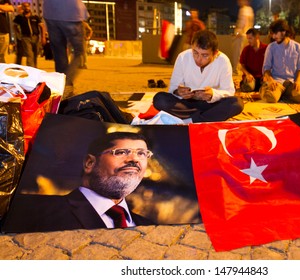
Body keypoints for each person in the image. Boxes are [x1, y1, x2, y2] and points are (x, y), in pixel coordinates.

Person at [4, 132, 155, 233]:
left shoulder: (150, 227)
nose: (134, 159)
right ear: (90, 163)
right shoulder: (35, 210)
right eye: (121, 152)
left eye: (141, 153)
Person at [153, 30, 244, 123]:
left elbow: (229, 91)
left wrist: (213, 94)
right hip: (187, 105)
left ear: (215, 53)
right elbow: (173, 88)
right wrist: (178, 92)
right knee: (159, 99)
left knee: (236, 103)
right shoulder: (183, 57)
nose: (198, 59)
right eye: (195, 52)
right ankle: (205, 118)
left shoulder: (223, 61)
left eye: (205, 55)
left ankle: (191, 120)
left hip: (211, 104)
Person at [43, 0, 88, 98]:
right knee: (79, 53)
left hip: (50, 12)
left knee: (59, 54)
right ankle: (66, 83)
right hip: (71, 13)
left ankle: (62, 88)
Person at [260, 19, 300, 104]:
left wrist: (298, 81)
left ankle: (284, 93)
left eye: (275, 33)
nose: (273, 37)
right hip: (276, 82)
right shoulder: (271, 47)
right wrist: (271, 80)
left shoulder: (298, 47)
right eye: (272, 34)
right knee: (270, 98)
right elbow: (266, 68)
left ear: (284, 32)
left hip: (291, 82)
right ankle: (269, 90)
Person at [13, 2, 46, 68]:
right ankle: (30, 69)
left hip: (35, 37)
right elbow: (14, 26)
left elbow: (42, 26)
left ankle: (34, 68)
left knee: (35, 54)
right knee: (29, 54)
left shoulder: (35, 16)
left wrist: (43, 37)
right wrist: (18, 35)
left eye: (28, 6)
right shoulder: (19, 17)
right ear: (22, 7)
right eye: (25, 6)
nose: (27, 8)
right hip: (25, 37)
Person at [238, 28, 267, 92]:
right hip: (251, 77)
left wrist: (267, 76)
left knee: (270, 88)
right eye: (247, 38)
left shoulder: (266, 48)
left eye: (250, 38)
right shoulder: (246, 49)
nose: (248, 41)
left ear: (257, 37)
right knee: (249, 87)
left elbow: (271, 66)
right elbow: (241, 65)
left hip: (263, 77)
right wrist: (247, 74)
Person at [231, 0, 254, 75]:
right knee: (246, 55)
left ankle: (237, 71)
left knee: (238, 55)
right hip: (248, 36)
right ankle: (244, 71)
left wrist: (237, 33)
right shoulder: (250, 10)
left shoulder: (243, 10)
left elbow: (241, 23)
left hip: (241, 36)